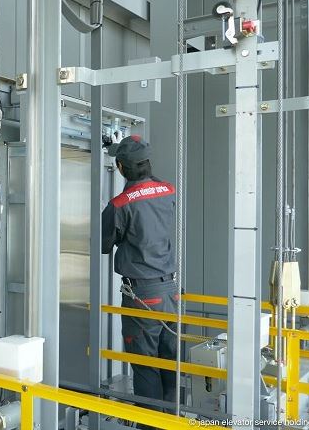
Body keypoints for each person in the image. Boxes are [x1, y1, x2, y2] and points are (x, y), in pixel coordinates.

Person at [101, 135, 178, 418]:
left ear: (121, 168)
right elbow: (147, 189)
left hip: (142, 297)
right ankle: (172, 420)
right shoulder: (168, 190)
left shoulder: (119, 205)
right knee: (169, 360)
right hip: (170, 291)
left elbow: (104, 244)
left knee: (145, 365)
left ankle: (150, 424)